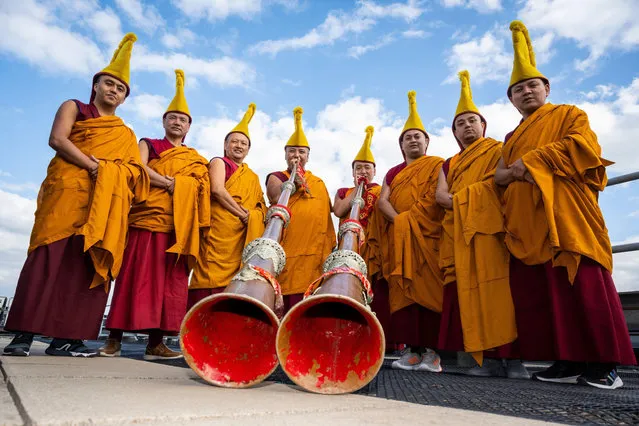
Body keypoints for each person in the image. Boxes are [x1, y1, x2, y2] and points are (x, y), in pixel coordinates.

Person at [494, 20, 636, 389]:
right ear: (511, 99)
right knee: (549, 295)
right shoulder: (510, 139)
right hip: (528, 224)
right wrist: (516, 171)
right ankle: (567, 359)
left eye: (531, 85)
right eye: (518, 89)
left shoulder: (570, 115)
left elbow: (583, 148)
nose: (526, 92)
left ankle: (606, 365)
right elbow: (499, 176)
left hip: (567, 215)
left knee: (586, 287)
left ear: (546, 88)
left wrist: (532, 163)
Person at [3, 34, 148, 357]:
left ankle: (67, 338)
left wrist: (110, 174)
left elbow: (134, 173)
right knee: (47, 260)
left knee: (86, 265)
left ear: (125, 98)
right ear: (95, 85)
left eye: (120, 88)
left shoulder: (124, 134)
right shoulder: (75, 107)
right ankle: (23, 335)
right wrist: (95, 167)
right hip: (66, 194)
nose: (113, 90)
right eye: (109, 84)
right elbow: (57, 139)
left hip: (104, 206)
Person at [99, 70, 210, 360]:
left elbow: (201, 188)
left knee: (168, 288)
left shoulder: (195, 158)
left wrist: (181, 187)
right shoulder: (149, 144)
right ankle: (114, 339)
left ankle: (156, 343)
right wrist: (172, 184)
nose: (177, 122)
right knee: (132, 279)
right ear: (164, 122)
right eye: (172, 117)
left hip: (178, 227)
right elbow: (138, 169)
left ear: (188, 127)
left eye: (182, 119)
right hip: (145, 220)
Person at [436, 71, 527, 379]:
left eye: (472, 121)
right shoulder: (449, 164)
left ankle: (513, 360)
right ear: (454, 133)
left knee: (503, 293)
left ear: (483, 125)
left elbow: (503, 180)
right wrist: (468, 199)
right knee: (468, 295)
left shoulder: (498, 150)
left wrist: (462, 198)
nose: (467, 126)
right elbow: (441, 197)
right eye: (460, 123)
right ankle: (481, 361)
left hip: (495, 230)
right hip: (460, 233)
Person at [370, 91, 444, 372]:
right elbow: (382, 200)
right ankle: (411, 350)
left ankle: (432, 353)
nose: (413, 140)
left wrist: (412, 219)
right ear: (401, 145)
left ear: (427, 141)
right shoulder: (393, 172)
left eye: (418, 136)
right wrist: (401, 221)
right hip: (398, 237)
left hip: (428, 236)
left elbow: (436, 196)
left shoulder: (438, 164)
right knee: (402, 290)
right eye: (407, 137)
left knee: (428, 289)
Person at [188, 104, 267, 309]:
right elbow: (217, 190)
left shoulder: (252, 177)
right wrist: (243, 214)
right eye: (234, 142)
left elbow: (261, 206)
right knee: (208, 279)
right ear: (225, 145)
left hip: (241, 236)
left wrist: (254, 216)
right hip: (218, 231)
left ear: (248, 149)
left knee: (235, 285)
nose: (239, 146)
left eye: (244, 143)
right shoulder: (219, 162)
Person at [265, 107, 336, 312]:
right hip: (288, 250)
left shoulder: (318, 182)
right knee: (284, 302)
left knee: (311, 303)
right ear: (285, 155)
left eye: (301, 152)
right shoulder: (277, 176)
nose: (297, 155)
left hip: (316, 253)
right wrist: (294, 181)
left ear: (308, 156)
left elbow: (327, 214)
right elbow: (275, 197)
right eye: (292, 151)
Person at [334, 126, 391, 349]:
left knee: (376, 291)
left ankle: (379, 338)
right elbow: (338, 211)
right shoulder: (343, 191)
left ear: (374, 171)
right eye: (359, 168)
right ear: (353, 172)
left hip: (374, 248)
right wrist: (357, 191)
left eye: (367, 168)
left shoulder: (380, 191)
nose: (363, 171)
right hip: (348, 248)